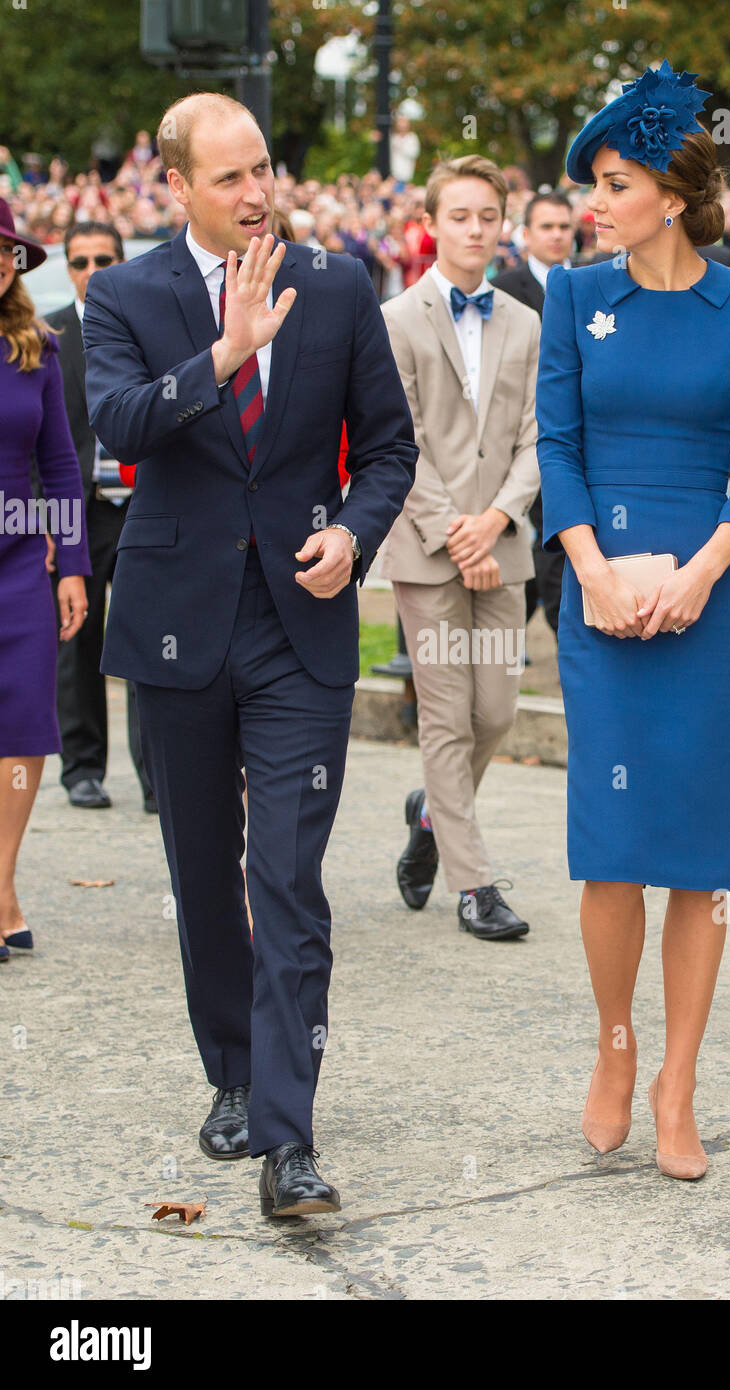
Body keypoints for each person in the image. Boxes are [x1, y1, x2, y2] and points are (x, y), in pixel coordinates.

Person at [81, 93, 417, 1217]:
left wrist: (354, 534)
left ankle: (289, 1136)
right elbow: (119, 426)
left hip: (298, 628)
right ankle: (232, 1070)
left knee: (286, 878)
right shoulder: (124, 294)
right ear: (175, 185)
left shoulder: (337, 288)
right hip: (176, 627)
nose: (256, 192)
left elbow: (387, 449)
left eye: (262, 169)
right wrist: (223, 352)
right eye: (228, 177)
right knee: (202, 876)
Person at [536, 61, 730, 1178]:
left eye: (616, 180)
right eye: (594, 180)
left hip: (709, 606)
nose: (596, 199)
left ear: (670, 198)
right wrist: (589, 569)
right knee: (612, 849)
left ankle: (679, 1079)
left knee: (699, 857)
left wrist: (702, 573)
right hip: (601, 603)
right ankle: (615, 1046)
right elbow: (558, 446)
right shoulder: (571, 297)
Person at [381, 154, 541, 941]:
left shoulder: (526, 322)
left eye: (487, 216)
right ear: (431, 223)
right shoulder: (397, 319)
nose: (475, 229)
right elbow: (398, 441)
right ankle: (475, 886)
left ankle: (430, 818)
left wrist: (499, 520)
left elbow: (541, 437)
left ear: (502, 225)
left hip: (503, 545)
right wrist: (455, 528)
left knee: (497, 712)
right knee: (445, 717)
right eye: (459, 216)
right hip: (427, 546)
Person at [0, 198, 90, 961]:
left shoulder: (39, 347)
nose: (1, 261)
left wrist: (74, 565)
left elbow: (60, 465)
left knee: (25, 724)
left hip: (24, 561)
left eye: (8, 252)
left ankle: (1, 884)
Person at [45, 221, 154, 813]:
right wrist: (42, 523)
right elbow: (35, 440)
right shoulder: (47, 333)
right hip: (76, 511)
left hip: (144, 507)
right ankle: (82, 767)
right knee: (76, 638)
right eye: (81, 261)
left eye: (104, 258)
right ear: (67, 267)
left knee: (148, 643)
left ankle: (158, 777)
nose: (93, 271)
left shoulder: (149, 323)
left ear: (122, 261)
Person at [493, 192, 574, 640]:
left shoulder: (591, 281)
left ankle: (541, 623)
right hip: (522, 429)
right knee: (539, 530)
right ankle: (544, 620)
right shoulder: (505, 288)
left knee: (556, 530)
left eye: (564, 226)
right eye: (547, 227)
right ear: (526, 235)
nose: (557, 235)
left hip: (576, 433)